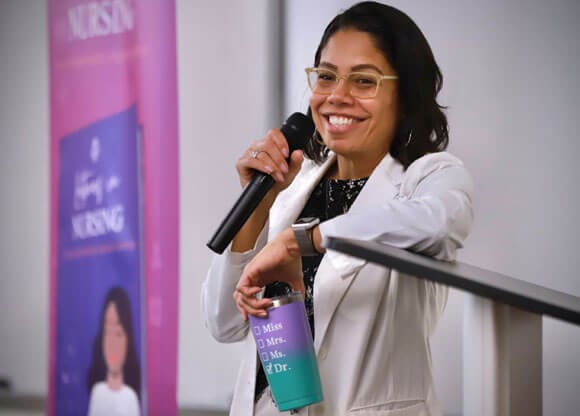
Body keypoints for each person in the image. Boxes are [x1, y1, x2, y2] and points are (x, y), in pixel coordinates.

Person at [202, 2, 474, 415]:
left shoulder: (430, 177)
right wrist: (258, 204)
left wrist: (301, 242)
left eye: (364, 81)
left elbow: (437, 225)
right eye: (326, 76)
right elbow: (223, 322)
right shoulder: (295, 184)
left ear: (405, 96)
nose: (337, 96)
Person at [87, 286, 141, 416]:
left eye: (118, 333)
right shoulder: (97, 393)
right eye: (107, 332)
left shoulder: (130, 397)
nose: (111, 343)